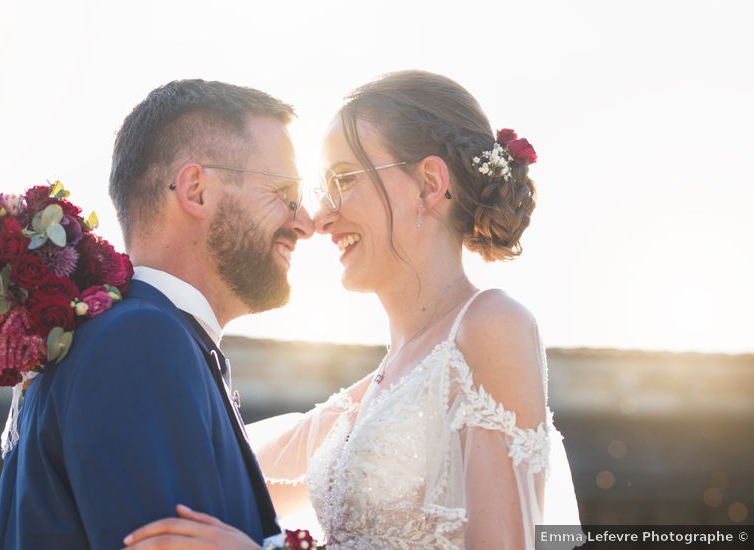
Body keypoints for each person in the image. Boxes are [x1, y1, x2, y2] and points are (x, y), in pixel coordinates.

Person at [123, 71, 580, 549]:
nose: (319, 218)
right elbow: (223, 470)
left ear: (427, 184)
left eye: (343, 180)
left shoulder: (491, 326)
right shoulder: (371, 391)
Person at [0, 79, 314, 549]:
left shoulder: (125, 337)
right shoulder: (139, 342)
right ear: (196, 191)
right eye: (285, 194)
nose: (304, 222)